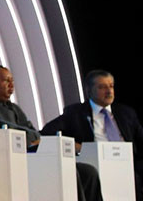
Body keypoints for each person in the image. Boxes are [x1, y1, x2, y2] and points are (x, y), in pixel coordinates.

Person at [0, 65, 102, 201]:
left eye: (12, 81)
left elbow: (34, 133)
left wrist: (29, 141)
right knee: (69, 172)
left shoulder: (13, 107)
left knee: (88, 172)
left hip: (32, 158)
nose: (11, 85)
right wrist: (29, 142)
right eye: (6, 81)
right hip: (11, 164)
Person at [42, 69, 143, 200]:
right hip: (96, 164)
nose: (109, 91)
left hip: (127, 165)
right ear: (89, 91)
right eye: (102, 87)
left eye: (111, 86)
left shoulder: (126, 113)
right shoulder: (75, 113)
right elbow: (47, 132)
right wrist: (76, 146)